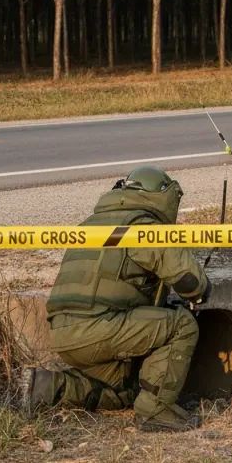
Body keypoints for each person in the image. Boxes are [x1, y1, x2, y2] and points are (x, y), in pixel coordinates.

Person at [20, 166, 211, 433]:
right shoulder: (142, 227)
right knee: (182, 324)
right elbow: (190, 283)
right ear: (163, 197)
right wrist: (200, 288)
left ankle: (46, 387)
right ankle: (156, 412)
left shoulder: (90, 223)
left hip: (63, 333)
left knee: (124, 391)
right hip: (100, 329)